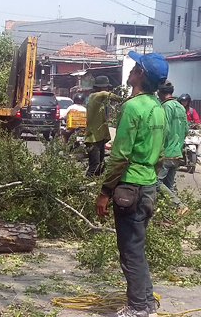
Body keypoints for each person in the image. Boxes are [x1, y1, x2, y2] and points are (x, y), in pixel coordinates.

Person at [96, 52, 168, 317]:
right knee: (137, 247)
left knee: (129, 251)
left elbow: (120, 155)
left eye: (134, 67)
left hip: (130, 187)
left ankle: (138, 308)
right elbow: (160, 155)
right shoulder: (158, 107)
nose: (131, 71)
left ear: (140, 74)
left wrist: (105, 191)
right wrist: (148, 176)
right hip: (148, 185)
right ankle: (146, 302)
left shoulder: (133, 107)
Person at [157, 80, 188, 215]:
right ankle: (168, 218)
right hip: (177, 152)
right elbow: (186, 129)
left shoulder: (165, 107)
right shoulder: (181, 107)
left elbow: (165, 130)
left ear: (159, 92)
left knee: (157, 183)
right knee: (169, 186)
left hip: (167, 152)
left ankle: (179, 204)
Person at [85, 75, 121, 176]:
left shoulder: (99, 101)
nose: (107, 89)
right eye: (105, 87)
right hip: (93, 139)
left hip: (99, 138)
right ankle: (85, 187)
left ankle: (95, 187)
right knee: (95, 166)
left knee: (100, 166)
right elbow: (105, 94)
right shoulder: (94, 96)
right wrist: (124, 99)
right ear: (99, 87)